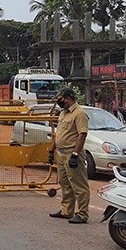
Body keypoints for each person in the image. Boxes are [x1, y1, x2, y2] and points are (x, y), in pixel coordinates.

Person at [48, 87, 90, 224]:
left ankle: (82, 214)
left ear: (68, 98)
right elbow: (58, 134)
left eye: (60, 99)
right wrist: (51, 150)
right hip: (61, 153)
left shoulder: (79, 114)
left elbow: (82, 135)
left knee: (79, 185)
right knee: (65, 184)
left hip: (72, 153)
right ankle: (66, 211)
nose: (58, 101)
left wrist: (75, 154)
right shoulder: (63, 114)